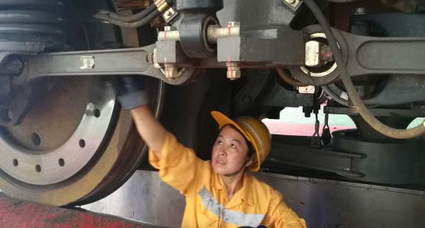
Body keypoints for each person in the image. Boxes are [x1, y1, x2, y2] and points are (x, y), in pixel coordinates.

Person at [115, 76, 307, 228]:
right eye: (219, 141)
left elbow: (292, 224)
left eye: (234, 145)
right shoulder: (200, 176)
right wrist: (136, 103)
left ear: (250, 159)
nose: (221, 151)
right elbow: (165, 148)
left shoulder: (265, 198)